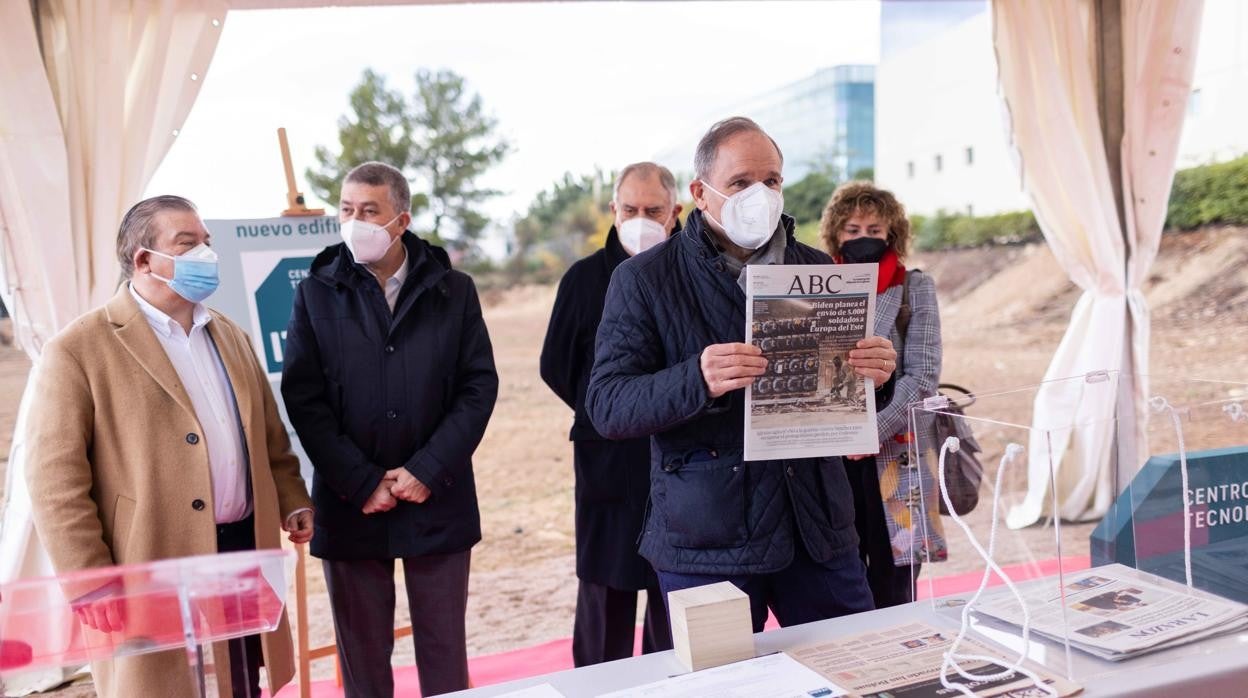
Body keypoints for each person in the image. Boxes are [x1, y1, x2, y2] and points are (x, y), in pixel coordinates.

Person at [585, 117, 898, 632]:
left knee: (853, 669)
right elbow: (609, 405)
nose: (761, 195)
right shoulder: (643, 279)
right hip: (708, 542)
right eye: (740, 183)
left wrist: (874, 373)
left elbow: (842, 393)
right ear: (700, 194)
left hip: (817, 529)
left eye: (772, 181)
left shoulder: (818, 268)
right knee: (719, 683)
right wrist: (697, 378)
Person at [25, 195, 314, 698]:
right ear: (143, 260)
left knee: (242, 681)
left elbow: (269, 437)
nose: (206, 252)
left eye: (206, 241)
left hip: (241, 553)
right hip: (147, 559)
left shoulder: (230, 335)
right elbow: (54, 481)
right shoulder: (78, 349)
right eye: (188, 243)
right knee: (166, 686)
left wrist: (292, 498)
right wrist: (89, 579)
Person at [281, 161, 498, 697]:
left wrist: (427, 469)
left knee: (445, 655)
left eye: (369, 211)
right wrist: (359, 481)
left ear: (400, 220)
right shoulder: (315, 293)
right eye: (346, 210)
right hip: (350, 502)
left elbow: (478, 387)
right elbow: (303, 397)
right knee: (362, 659)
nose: (355, 221)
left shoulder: (454, 290)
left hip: (437, 497)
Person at [540, 162, 680, 667]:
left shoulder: (696, 272)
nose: (640, 219)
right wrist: (607, 410)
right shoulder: (581, 280)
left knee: (675, 604)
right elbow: (555, 365)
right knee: (605, 601)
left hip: (682, 459)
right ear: (613, 211)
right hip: (607, 459)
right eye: (630, 209)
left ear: (676, 212)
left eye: (653, 210)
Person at [820, 181, 947, 608]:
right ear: (836, 234)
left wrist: (871, 431)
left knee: (897, 581)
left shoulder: (914, 287)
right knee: (841, 575)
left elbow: (924, 376)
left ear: (891, 234)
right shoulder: (818, 286)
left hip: (897, 450)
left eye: (874, 229)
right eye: (852, 229)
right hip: (833, 457)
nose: (863, 238)